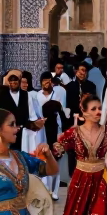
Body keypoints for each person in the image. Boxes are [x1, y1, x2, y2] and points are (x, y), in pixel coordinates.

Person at [35, 71, 68, 199]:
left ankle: (55, 190)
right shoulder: (37, 96)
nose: (47, 83)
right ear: (41, 82)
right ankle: (45, 188)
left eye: (49, 80)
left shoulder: (58, 94)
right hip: (42, 129)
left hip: (55, 128)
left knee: (56, 157)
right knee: (44, 158)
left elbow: (61, 112)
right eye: (44, 80)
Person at [0, 71, 43, 151]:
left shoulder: (26, 95)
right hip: (8, 132)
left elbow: (31, 114)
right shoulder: (2, 96)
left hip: (24, 132)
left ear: (19, 82)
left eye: (15, 81)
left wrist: (34, 124)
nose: (13, 83)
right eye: (11, 82)